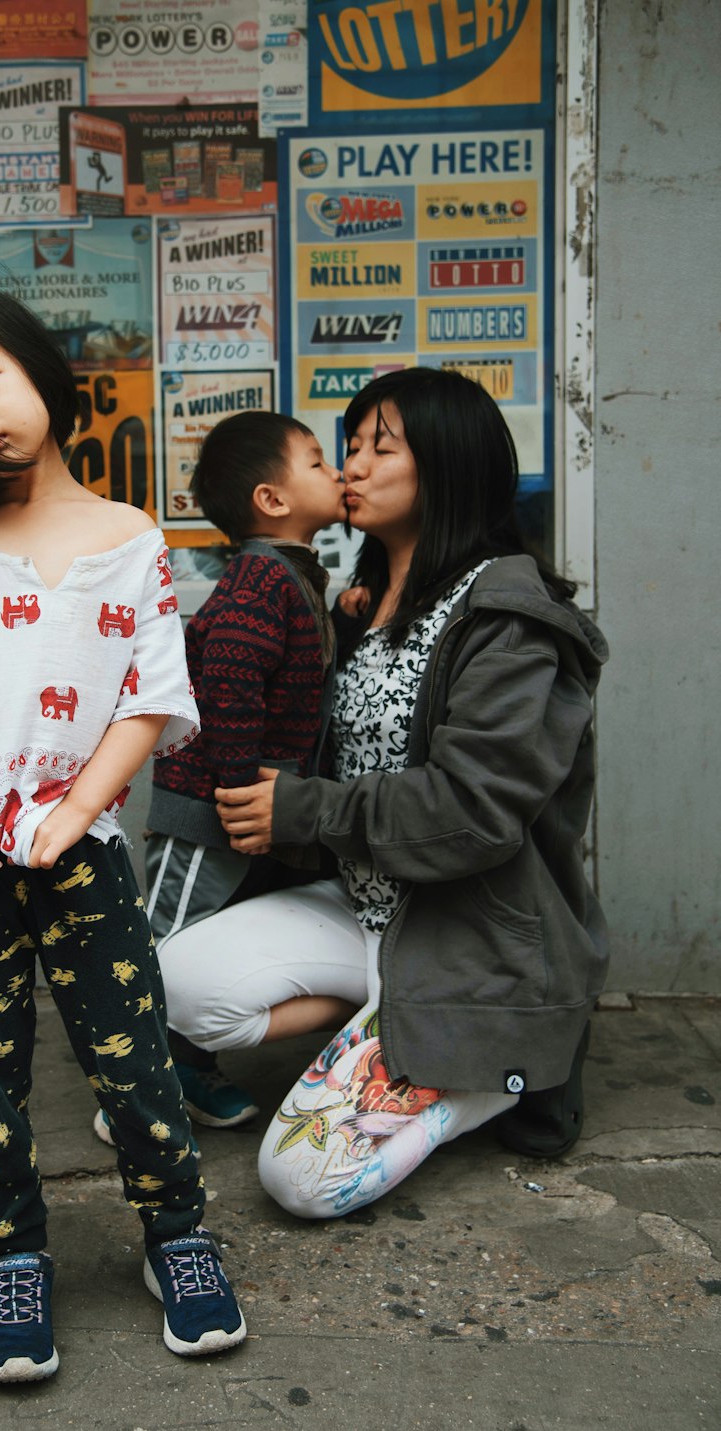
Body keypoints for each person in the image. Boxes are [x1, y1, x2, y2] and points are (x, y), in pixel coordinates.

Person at [0, 287, 246, 1382]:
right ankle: (11, 1256)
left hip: (80, 861)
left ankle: (176, 1233)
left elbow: (147, 699)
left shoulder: (131, 540)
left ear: (37, 369)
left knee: (132, 1064)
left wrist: (79, 815)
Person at [157, 367, 609, 1219]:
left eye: (380, 447)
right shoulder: (358, 611)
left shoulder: (508, 618)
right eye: (349, 446)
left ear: (446, 464)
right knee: (176, 979)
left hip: (472, 927)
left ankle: (509, 1070)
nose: (352, 465)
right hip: (367, 912)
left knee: (300, 1178)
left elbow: (475, 810)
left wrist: (304, 807)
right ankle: (400, 1019)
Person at [114, 411, 348, 1138]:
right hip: (214, 802)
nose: (337, 470)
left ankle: (188, 1066)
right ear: (272, 500)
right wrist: (240, 788)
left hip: (249, 800)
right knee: (171, 945)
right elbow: (230, 682)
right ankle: (134, 1095)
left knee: (212, 942)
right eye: (317, 461)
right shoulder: (258, 579)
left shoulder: (296, 575)